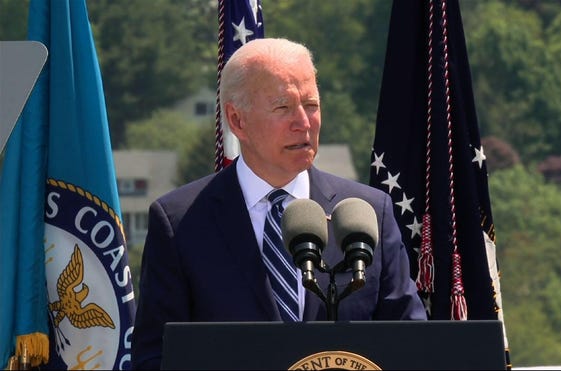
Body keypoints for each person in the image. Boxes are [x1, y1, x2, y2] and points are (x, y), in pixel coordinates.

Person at [131, 38, 426, 370]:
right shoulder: (180, 223)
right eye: (283, 107)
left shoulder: (367, 213)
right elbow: (154, 357)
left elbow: (411, 343)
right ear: (237, 120)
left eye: (311, 105)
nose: (303, 122)